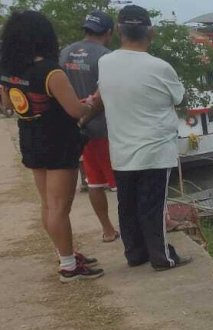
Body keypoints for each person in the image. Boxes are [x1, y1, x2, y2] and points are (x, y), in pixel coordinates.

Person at [0, 10, 104, 282]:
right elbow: (74, 111)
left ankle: (65, 254)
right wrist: (91, 101)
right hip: (58, 142)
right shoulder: (50, 71)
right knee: (60, 207)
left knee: (48, 204)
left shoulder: (9, 70)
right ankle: (69, 266)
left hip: (30, 138)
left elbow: (9, 106)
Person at [97, 5, 190, 271]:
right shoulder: (160, 67)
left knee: (127, 206)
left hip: (121, 148)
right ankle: (163, 258)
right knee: (152, 207)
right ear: (152, 31)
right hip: (154, 149)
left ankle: (135, 254)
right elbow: (179, 97)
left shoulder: (105, 62)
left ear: (118, 31)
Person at [60, 10, 118, 243]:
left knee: (94, 182)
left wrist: (78, 119)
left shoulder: (65, 53)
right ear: (109, 32)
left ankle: (107, 230)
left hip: (80, 131)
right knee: (123, 184)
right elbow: (105, 93)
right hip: (106, 129)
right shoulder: (106, 56)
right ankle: (134, 228)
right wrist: (87, 114)